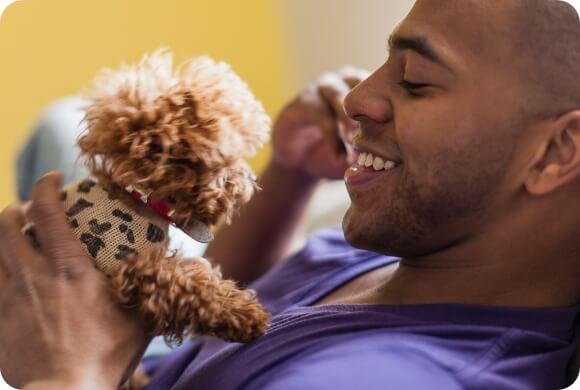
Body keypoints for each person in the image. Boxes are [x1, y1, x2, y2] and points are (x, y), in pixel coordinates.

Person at [1, 0, 580, 389]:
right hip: (163, 350)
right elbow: (246, 298)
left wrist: (63, 368)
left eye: (415, 80)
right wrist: (289, 174)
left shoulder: (380, 376)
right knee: (62, 124)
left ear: (556, 153)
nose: (356, 96)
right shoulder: (425, 234)